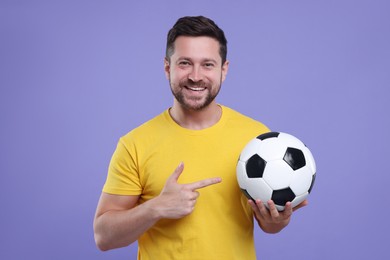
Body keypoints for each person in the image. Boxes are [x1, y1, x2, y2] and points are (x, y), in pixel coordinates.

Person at [94, 15, 307, 259]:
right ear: (167, 68)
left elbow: (268, 226)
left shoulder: (257, 140)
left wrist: (277, 220)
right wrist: (155, 208)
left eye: (207, 64)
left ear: (223, 70)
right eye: (185, 63)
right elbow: (103, 237)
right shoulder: (134, 144)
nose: (196, 76)